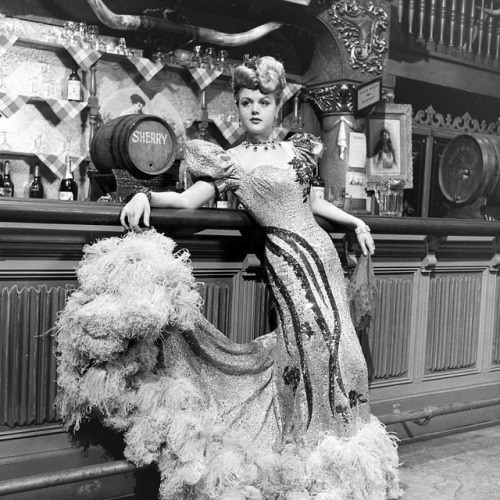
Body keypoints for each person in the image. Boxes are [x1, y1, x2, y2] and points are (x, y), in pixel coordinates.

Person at [58, 56, 401, 499]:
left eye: (263, 101)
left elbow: (312, 204)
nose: (254, 109)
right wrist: (144, 195)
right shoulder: (230, 160)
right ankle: (311, 464)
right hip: (286, 260)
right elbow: (186, 201)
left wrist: (354, 223)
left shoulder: (298, 149)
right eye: (245, 102)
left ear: (279, 106)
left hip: (324, 255)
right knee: (312, 353)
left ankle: (350, 465)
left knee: (346, 355)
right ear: (236, 108)